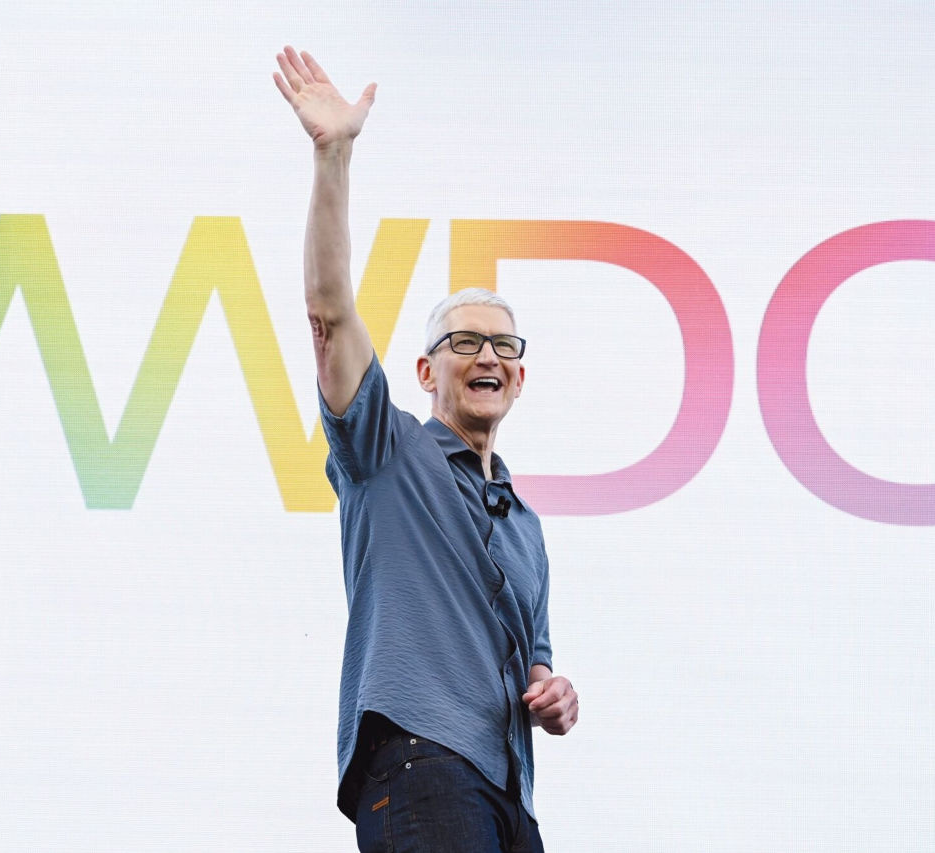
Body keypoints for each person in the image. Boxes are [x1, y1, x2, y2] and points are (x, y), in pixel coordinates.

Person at [274, 46, 578, 852]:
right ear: (424, 369)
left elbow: (536, 667)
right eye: (466, 340)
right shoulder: (386, 451)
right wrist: (332, 154)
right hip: (420, 761)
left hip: (511, 795)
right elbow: (330, 312)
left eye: (504, 345)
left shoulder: (527, 528)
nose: (488, 356)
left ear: (521, 375)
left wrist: (553, 693)